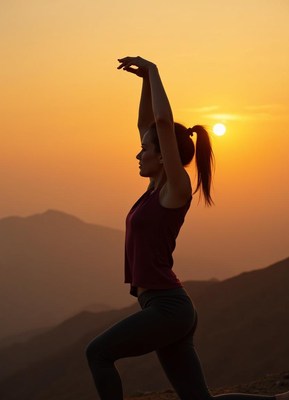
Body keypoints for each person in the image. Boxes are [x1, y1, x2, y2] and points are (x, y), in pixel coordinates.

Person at [86, 56, 289, 400]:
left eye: (144, 150)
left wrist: (154, 71)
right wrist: (143, 84)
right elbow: (148, 123)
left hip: (168, 308)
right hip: (162, 306)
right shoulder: (155, 189)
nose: (138, 155)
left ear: (163, 155)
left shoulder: (174, 189)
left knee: (98, 353)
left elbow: (163, 124)